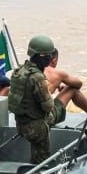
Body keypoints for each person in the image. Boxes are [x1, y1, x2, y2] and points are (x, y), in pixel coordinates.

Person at [8, 35, 62, 164]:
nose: (50, 59)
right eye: (48, 56)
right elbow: (48, 106)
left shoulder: (19, 70)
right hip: (36, 128)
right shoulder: (37, 77)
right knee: (41, 160)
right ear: (42, 57)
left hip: (21, 124)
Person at [44, 48, 87, 122]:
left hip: (28, 118)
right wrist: (63, 82)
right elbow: (78, 84)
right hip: (44, 119)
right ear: (54, 60)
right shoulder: (56, 73)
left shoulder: (31, 71)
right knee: (72, 89)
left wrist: (56, 85)